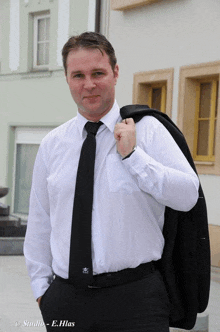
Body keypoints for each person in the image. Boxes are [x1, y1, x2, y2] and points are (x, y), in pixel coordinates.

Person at [24, 32, 199, 332]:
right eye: (78, 75)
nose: (88, 84)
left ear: (115, 73)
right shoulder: (52, 145)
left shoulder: (150, 130)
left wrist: (133, 156)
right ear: (66, 78)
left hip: (136, 299)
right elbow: (40, 223)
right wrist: (43, 292)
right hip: (66, 300)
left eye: (98, 73)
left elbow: (188, 196)